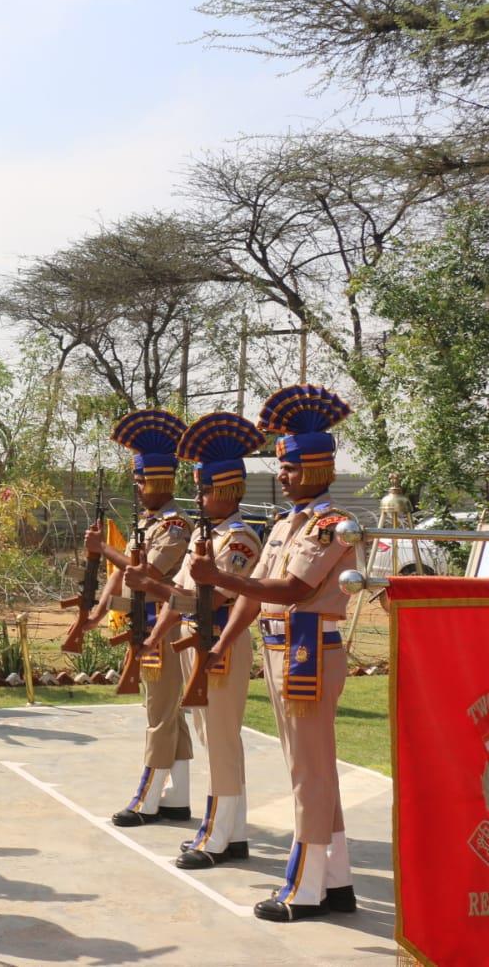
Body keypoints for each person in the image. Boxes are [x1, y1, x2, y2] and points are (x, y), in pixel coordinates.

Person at [189, 385, 358, 922]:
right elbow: (254, 589)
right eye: (280, 468)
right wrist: (220, 616)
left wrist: (215, 576)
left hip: (310, 649)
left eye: (287, 468)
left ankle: (304, 889)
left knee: (308, 770)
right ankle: (336, 879)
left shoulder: (331, 525)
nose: (280, 476)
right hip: (282, 649)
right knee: (313, 767)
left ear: (313, 468)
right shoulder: (287, 523)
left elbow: (290, 590)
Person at [123, 412, 265, 869]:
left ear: (227, 491)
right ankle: (234, 829)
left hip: (219, 638)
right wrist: (156, 636)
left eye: (205, 490)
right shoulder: (210, 537)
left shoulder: (238, 540)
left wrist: (155, 586)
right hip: (193, 639)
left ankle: (220, 833)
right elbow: (180, 597)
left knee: (221, 738)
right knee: (208, 734)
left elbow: (212, 596)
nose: (200, 497)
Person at [84, 409, 194, 827]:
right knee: (168, 713)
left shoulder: (175, 527)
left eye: (141, 479)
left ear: (160, 481)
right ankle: (176, 795)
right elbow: (124, 575)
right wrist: (96, 613)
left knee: (159, 715)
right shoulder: (149, 524)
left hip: (164, 626)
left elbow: (146, 575)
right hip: (145, 623)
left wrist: (103, 550)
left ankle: (146, 799)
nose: (136, 485)